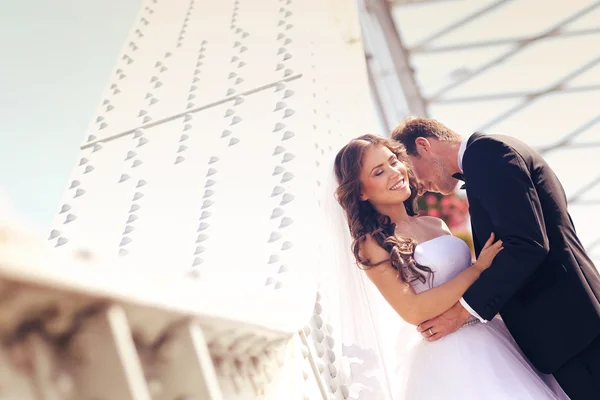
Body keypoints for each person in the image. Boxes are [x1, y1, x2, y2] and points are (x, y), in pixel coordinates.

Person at [334, 134, 567, 399]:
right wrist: (477, 269)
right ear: (361, 192)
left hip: (491, 335)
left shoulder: (435, 224)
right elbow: (414, 310)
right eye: (379, 172)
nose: (394, 172)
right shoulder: (373, 244)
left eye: (393, 161)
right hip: (451, 355)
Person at [392, 117, 600, 400]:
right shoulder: (490, 156)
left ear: (423, 145)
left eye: (414, 173)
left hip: (570, 326)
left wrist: (463, 312)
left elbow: (527, 244)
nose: (421, 187)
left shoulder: (489, 154)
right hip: (570, 324)